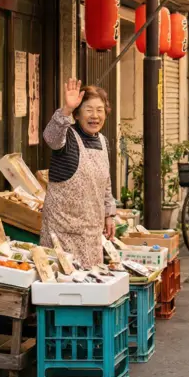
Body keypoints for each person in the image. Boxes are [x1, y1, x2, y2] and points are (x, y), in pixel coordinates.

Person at [41, 78, 117, 267]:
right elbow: (50, 137)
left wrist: (109, 214)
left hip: (91, 235)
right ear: (77, 114)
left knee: (90, 289)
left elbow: (105, 184)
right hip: (61, 234)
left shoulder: (103, 142)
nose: (95, 116)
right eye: (88, 110)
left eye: (99, 110)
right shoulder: (66, 137)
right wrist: (66, 109)